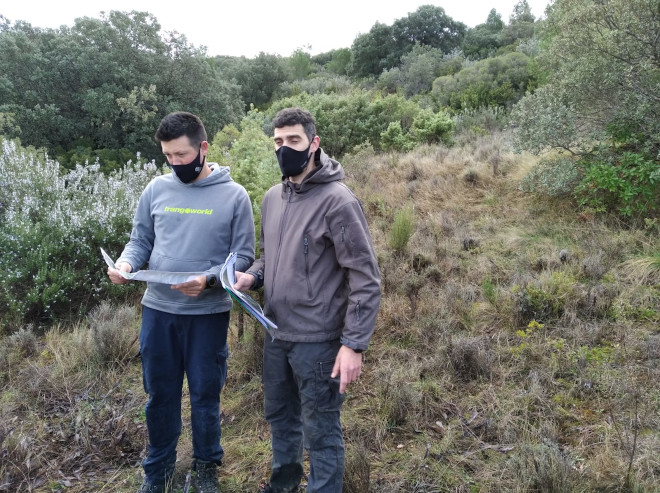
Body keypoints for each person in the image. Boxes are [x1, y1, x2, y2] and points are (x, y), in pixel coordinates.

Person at [233, 107, 381, 493]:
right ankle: (283, 484)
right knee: (281, 417)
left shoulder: (338, 201)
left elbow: (365, 278)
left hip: (318, 341)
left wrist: (353, 345)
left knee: (321, 430)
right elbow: (270, 254)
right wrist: (253, 276)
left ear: (314, 143)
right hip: (276, 332)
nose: (285, 149)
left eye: (294, 141)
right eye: (278, 142)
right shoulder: (271, 198)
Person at [107, 111, 255, 493]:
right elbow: (140, 241)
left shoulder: (234, 196)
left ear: (203, 148)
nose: (175, 164)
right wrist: (126, 263)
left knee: (206, 394)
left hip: (207, 314)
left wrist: (208, 281)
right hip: (158, 312)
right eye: (168, 156)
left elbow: (242, 257)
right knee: (161, 395)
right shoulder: (156, 190)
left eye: (182, 155)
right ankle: (158, 469)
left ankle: (206, 466)